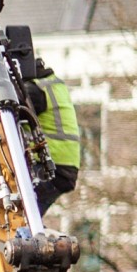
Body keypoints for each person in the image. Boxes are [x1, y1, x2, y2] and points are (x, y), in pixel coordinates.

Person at [29, 64, 81, 212]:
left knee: (19, 213)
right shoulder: (53, 84)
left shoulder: (34, 91)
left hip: (48, 165)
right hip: (61, 167)